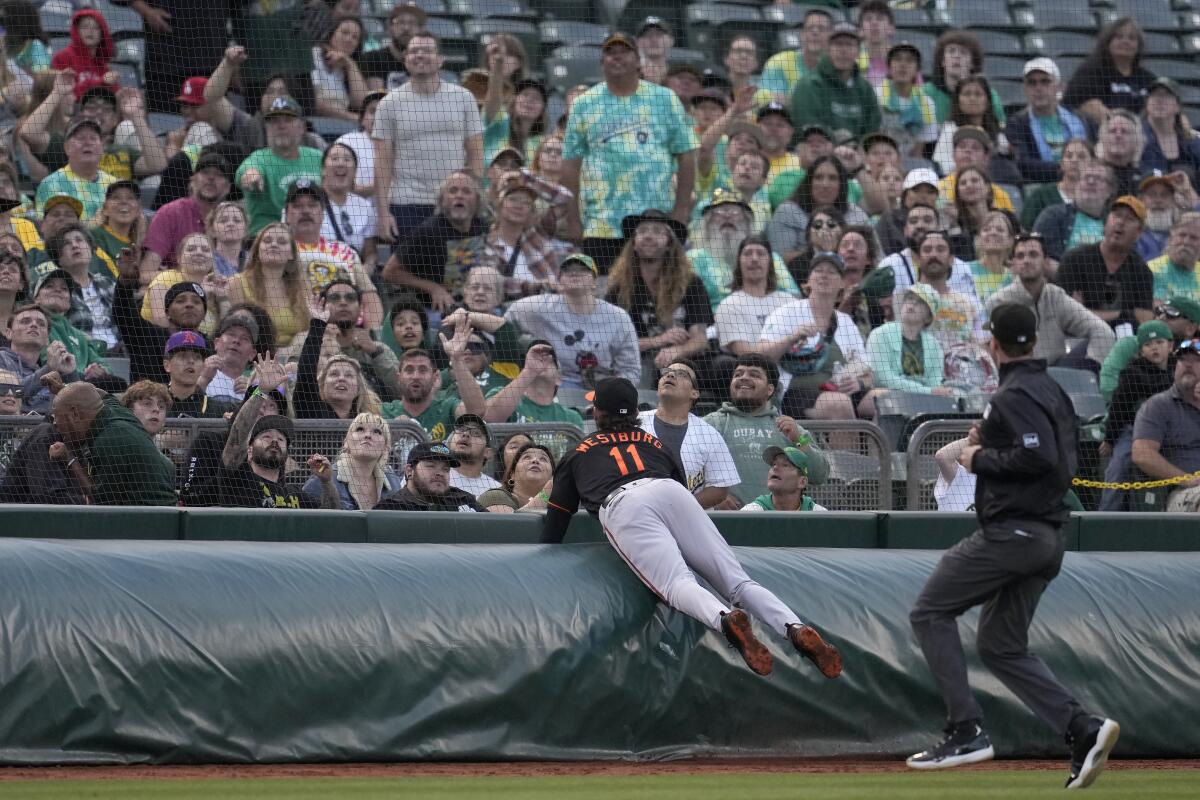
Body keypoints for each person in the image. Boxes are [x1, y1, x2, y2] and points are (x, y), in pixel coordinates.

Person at [906, 302, 1120, 787]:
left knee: (928, 612)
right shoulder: (1051, 387)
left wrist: (980, 456)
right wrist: (993, 441)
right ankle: (1082, 728)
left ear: (993, 343)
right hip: (1048, 535)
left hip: (1014, 532)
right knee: (1000, 645)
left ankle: (966, 730)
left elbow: (1039, 457)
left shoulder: (1014, 392)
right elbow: (1046, 451)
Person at [540, 376, 842, 679]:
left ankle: (724, 619)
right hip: (672, 491)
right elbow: (681, 493)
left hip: (625, 502)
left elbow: (557, 518)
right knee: (738, 583)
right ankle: (794, 627)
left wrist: (543, 555)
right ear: (635, 414)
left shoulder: (578, 452)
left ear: (596, 413)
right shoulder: (654, 443)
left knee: (676, 584)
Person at [561, 32, 697, 272]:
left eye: (624, 52)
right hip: (602, 224)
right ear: (602, 63)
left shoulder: (665, 99)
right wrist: (573, 219)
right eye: (609, 53)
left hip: (655, 222)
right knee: (607, 299)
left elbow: (686, 155)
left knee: (657, 294)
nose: (616, 57)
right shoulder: (584, 104)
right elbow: (571, 164)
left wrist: (681, 209)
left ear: (638, 61)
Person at [373, 30, 484, 245]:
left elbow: (476, 152)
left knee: (455, 274)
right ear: (405, 60)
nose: (420, 55)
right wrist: (383, 213)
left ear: (440, 60)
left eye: (427, 51)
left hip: (453, 204)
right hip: (407, 203)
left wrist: (474, 200)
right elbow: (383, 161)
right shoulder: (389, 103)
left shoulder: (463, 98)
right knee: (407, 274)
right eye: (414, 51)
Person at [703, 354, 829, 508]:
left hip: (774, 523)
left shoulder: (789, 428)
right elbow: (686, 470)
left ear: (770, 389)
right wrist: (713, 497)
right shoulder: (711, 423)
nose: (743, 378)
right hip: (726, 523)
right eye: (738, 374)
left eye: (754, 375)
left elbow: (819, 475)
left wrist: (798, 439)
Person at [760, 252, 874, 421]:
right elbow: (761, 356)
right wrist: (792, 338)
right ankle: (844, 449)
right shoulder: (786, 313)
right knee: (839, 404)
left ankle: (880, 448)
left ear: (842, 283)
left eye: (832, 272)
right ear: (810, 279)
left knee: (882, 400)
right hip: (795, 394)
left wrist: (860, 383)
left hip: (840, 389)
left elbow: (867, 370)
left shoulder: (846, 322)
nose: (824, 275)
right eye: (818, 270)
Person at [504, 254, 640, 390]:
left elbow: (630, 368)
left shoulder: (618, 317)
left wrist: (614, 390)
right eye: (567, 270)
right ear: (560, 280)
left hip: (602, 389)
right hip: (555, 388)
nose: (574, 273)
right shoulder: (540, 307)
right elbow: (506, 323)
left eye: (583, 270)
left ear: (594, 282)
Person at [607, 210, 713, 381]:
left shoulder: (691, 283)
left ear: (670, 243)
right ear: (633, 243)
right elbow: (612, 343)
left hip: (686, 362)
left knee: (722, 366)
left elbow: (700, 338)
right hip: (636, 364)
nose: (649, 236)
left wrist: (677, 350)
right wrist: (659, 340)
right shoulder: (618, 289)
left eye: (657, 231)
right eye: (642, 231)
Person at [987, 234, 1116, 370]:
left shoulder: (1056, 296)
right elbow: (989, 351)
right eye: (1020, 256)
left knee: (1098, 339)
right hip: (1017, 376)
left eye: (1033, 255)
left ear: (1046, 262)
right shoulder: (998, 302)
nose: (1026, 260)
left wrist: (1092, 370)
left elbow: (1102, 331)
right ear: (1013, 264)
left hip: (1057, 376)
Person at [189, 398, 337, 509]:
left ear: (287, 454)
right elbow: (236, 437)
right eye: (266, 436)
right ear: (249, 450)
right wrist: (260, 391)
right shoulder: (238, 481)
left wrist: (326, 481)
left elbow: (332, 516)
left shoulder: (295, 494)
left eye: (281, 439)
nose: (274, 441)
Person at [49, 382, 176, 505]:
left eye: (57, 417)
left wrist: (69, 458)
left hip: (152, 518)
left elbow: (103, 502)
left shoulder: (108, 441)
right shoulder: (114, 409)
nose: (55, 424)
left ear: (75, 413)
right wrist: (63, 388)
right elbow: (100, 394)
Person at [638, 358, 739, 509]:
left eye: (682, 374)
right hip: (639, 513)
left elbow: (720, 488)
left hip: (691, 522)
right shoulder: (635, 423)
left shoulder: (709, 434)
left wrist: (681, 507)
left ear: (694, 393)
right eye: (667, 372)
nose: (670, 376)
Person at [380, 170, 487, 311]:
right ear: (442, 199)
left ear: (477, 200)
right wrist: (432, 288)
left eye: (466, 191)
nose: (459, 196)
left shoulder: (483, 227)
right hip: (438, 312)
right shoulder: (428, 231)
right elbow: (389, 272)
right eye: (453, 191)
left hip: (477, 306)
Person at [284, 178, 382, 329]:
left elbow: (370, 298)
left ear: (323, 213)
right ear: (286, 215)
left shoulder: (345, 251)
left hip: (348, 333)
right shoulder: (280, 250)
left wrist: (371, 335)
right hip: (302, 332)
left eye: (312, 205)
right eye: (297, 206)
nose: (305, 211)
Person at [1100, 321, 1176, 511]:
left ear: (1170, 345)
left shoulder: (1179, 369)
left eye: (1159, 342)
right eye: (1148, 345)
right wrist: (1110, 440)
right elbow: (1119, 408)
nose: (1154, 348)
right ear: (1141, 350)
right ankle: (1104, 518)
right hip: (1135, 432)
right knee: (1117, 469)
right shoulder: (1132, 373)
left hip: (1173, 430)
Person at [200, 46, 327, 154]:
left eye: (282, 92)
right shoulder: (247, 126)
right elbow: (211, 98)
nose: (275, 96)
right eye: (269, 91)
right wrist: (228, 64)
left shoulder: (312, 142)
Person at [1058, 195, 1155, 331]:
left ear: (1138, 233)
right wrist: (1123, 315)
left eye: (1129, 219)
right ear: (1106, 222)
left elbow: (1145, 320)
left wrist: (1086, 313)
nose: (1120, 222)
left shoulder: (1141, 272)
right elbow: (1067, 316)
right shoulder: (1075, 260)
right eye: (1117, 215)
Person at [691, 190, 799, 309]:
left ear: (748, 221)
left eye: (734, 211)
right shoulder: (694, 258)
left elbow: (794, 299)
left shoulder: (770, 258)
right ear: (707, 222)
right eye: (720, 211)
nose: (727, 216)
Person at [236, 95, 324, 236]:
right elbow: (248, 171)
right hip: (268, 240)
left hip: (315, 237)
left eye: (288, 120)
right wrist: (251, 175)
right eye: (274, 121)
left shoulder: (317, 157)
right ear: (267, 128)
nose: (281, 126)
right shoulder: (260, 159)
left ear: (302, 127)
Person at [379, 327, 486, 440]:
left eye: (423, 370)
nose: (416, 376)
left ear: (435, 377)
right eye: (409, 370)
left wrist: (457, 358)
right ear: (398, 377)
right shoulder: (385, 411)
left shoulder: (447, 407)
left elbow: (476, 412)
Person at [1131, 339, 1200, 511]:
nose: (1188, 365)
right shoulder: (1158, 405)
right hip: (1181, 491)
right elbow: (1142, 454)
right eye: (1183, 360)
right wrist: (1185, 478)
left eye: (1196, 360)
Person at [140, 152, 232, 278]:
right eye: (205, 172)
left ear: (227, 187)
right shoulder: (170, 213)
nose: (211, 178)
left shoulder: (232, 220)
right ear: (192, 181)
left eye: (219, 175)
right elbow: (145, 274)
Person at [788, 22, 880, 147]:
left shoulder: (865, 89)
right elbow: (808, 131)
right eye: (838, 44)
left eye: (849, 45)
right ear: (827, 49)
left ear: (858, 51)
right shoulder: (809, 85)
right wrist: (836, 139)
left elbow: (872, 132)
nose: (843, 50)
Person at [769, 155, 869, 268]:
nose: (825, 184)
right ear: (809, 182)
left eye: (832, 178)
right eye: (818, 177)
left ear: (841, 184)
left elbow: (875, 256)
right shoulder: (787, 212)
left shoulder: (856, 215)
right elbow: (777, 261)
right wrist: (816, 250)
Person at [227, 223, 311, 352]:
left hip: (295, 359)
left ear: (291, 255)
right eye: (267, 241)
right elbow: (236, 330)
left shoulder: (302, 288)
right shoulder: (237, 283)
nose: (274, 244)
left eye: (282, 242)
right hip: (252, 356)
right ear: (257, 250)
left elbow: (310, 330)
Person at [1005, 58, 1088, 186]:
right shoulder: (1017, 124)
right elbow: (1023, 163)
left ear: (1059, 86)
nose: (1039, 88)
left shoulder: (1080, 119)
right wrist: (1065, 170)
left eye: (1045, 81)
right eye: (1032, 83)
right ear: (1025, 89)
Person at [1062, 16, 1155, 126]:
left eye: (1132, 38)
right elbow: (1079, 103)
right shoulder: (1091, 72)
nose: (1125, 41)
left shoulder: (1147, 78)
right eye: (1119, 37)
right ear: (1107, 42)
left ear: (1139, 46)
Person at [715, 235, 795, 359]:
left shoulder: (788, 301)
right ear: (738, 262)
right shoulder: (728, 306)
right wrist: (790, 339)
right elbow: (748, 356)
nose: (754, 259)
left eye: (761, 254)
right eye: (747, 254)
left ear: (770, 262)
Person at [302, 412, 402, 510]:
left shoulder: (393, 482)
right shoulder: (324, 476)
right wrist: (326, 483)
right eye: (360, 429)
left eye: (376, 432)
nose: (368, 435)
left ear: (386, 448)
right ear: (346, 443)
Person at [478, 176, 558, 298]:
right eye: (513, 199)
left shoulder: (540, 243)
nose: (519, 206)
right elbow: (491, 285)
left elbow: (557, 281)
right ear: (500, 205)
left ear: (532, 212)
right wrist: (535, 287)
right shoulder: (484, 242)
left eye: (526, 202)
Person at [866, 286, 949, 396]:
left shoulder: (934, 345)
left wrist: (936, 392)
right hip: (890, 399)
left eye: (920, 302)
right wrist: (927, 391)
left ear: (929, 317)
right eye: (909, 298)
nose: (912, 304)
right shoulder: (880, 335)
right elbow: (882, 378)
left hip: (926, 401)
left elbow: (934, 382)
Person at [482, 339, 584, 427]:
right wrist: (529, 371)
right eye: (533, 358)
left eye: (547, 358)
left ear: (559, 378)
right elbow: (488, 419)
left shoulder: (571, 419)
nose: (540, 361)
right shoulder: (502, 395)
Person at [0, 304, 79, 413]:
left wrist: (70, 373)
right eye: (25, 321)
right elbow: (12, 394)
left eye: (41, 324)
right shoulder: (2, 359)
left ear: (47, 339)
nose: (34, 325)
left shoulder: (52, 370)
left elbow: (77, 406)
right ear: (9, 333)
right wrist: (48, 369)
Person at [1033, 160, 1115, 264]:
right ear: (1076, 185)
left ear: (1110, 190)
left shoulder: (1114, 225)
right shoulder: (1053, 215)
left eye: (1098, 178)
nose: (1091, 182)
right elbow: (1044, 261)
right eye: (1086, 177)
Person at [33, 117, 116, 220]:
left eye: (93, 138)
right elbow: (47, 229)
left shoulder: (114, 185)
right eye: (81, 138)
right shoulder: (52, 184)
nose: (88, 142)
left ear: (102, 148)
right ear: (67, 148)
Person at [923, 30, 1006, 126]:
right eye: (951, 51)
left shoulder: (988, 96)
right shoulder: (925, 93)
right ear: (942, 61)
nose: (957, 56)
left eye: (963, 52)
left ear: (972, 64)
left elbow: (999, 129)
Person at [931, 75, 1008, 179]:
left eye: (978, 94)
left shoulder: (996, 132)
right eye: (967, 94)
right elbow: (942, 166)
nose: (972, 98)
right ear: (958, 100)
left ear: (987, 101)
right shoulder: (950, 129)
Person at [374, 441, 483, 512]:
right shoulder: (391, 508)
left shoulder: (462, 500)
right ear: (409, 471)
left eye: (445, 469)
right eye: (431, 466)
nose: (439, 473)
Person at [319, 142, 377, 271]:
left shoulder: (365, 207)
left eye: (347, 159)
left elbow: (370, 253)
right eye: (334, 158)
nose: (341, 163)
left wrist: (365, 271)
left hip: (353, 278)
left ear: (355, 171)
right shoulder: (306, 202)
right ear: (323, 169)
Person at [875, 41, 937, 160]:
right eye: (897, 59)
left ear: (917, 70)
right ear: (889, 67)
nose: (903, 65)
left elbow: (918, 151)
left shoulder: (927, 104)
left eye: (909, 60)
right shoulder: (875, 96)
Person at [761, 7, 833, 103]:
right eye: (810, 28)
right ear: (802, 35)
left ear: (832, 36)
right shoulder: (779, 62)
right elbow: (763, 99)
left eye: (821, 28)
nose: (815, 32)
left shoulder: (840, 66)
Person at [1020, 138, 1093, 233]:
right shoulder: (1040, 195)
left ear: (1092, 164)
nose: (1074, 160)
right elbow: (1024, 231)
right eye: (1069, 156)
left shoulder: (1096, 199)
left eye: (1081, 156)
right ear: (1061, 164)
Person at [1141, 78, 1200, 190]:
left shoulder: (1190, 139)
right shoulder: (1133, 135)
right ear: (1147, 103)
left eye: (1167, 96)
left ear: (1177, 106)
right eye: (1154, 95)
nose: (1159, 100)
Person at [311, 14, 368, 123]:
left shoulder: (348, 67)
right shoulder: (314, 56)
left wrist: (350, 64)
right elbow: (316, 104)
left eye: (355, 37)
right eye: (344, 32)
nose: (349, 39)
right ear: (331, 33)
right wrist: (356, 118)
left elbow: (361, 103)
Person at [740, 446, 825, 512]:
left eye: (785, 465)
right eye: (773, 464)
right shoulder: (753, 512)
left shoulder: (817, 513)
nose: (775, 467)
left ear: (802, 482)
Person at [479, 441, 554, 513]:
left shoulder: (560, 504)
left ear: (552, 476)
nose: (535, 460)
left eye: (543, 459)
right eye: (527, 457)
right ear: (512, 474)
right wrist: (547, 490)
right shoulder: (494, 496)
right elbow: (515, 525)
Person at [334, 90, 384, 195]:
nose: (378, 117)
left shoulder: (404, 144)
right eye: (372, 111)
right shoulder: (347, 142)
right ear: (362, 119)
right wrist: (386, 184)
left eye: (384, 112)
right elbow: (341, 188)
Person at [88, 179, 145, 269]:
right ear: (105, 209)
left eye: (130, 198)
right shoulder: (94, 235)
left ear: (138, 210)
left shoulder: (139, 246)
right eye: (116, 197)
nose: (124, 201)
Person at [1148, 212, 1200, 304]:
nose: (1186, 242)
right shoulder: (1152, 270)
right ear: (1171, 238)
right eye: (1182, 235)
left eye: (1194, 238)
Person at [968, 211, 1016, 309]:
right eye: (986, 229)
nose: (993, 232)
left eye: (1000, 230)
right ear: (979, 239)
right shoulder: (964, 269)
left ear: (1010, 240)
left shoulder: (1014, 277)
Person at [443, 413, 500, 496]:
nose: (465, 434)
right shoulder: (435, 477)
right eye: (461, 429)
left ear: (487, 452)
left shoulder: (496, 490)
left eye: (476, 433)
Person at [1095, 110, 1144, 197]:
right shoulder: (1092, 174)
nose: (1118, 135)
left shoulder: (1142, 178)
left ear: (1137, 141)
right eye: (1112, 131)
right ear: (1103, 138)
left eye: (1124, 131)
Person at [207, 200, 248, 278]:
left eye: (237, 220)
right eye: (223, 221)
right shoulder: (206, 261)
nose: (230, 224)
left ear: (245, 230)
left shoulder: (255, 261)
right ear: (212, 230)